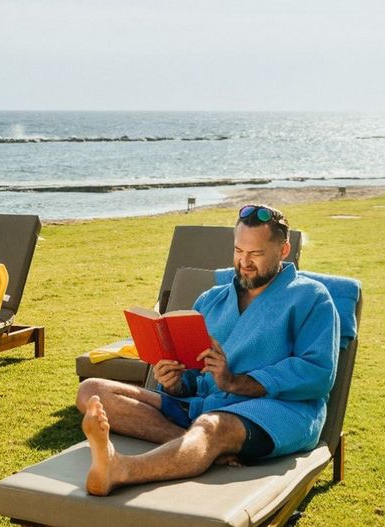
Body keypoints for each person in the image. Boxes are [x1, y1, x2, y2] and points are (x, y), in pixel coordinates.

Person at [76, 204, 339, 495]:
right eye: (238, 251)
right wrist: (175, 383)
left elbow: (317, 373)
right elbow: (193, 373)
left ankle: (122, 469)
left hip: (277, 411)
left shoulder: (311, 298)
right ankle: (195, 445)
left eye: (256, 253)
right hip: (200, 405)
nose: (244, 262)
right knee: (91, 390)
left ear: (284, 250)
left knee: (212, 426)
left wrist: (235, 382)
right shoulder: (211, 300)